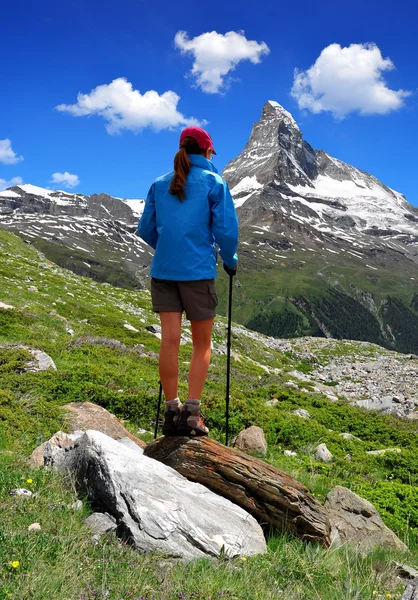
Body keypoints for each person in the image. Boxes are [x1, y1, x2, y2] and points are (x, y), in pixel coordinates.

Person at [138, 126, 238, 437]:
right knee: (201, 344)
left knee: (169, 342)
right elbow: (226, 231)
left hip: (164, 273)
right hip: (197, 274)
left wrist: (169, 249)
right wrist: (230, 260)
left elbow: (145, 229)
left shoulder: (159, 184)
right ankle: (192, 415)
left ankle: (171, 412)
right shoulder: (214, 183)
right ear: (207, 152)